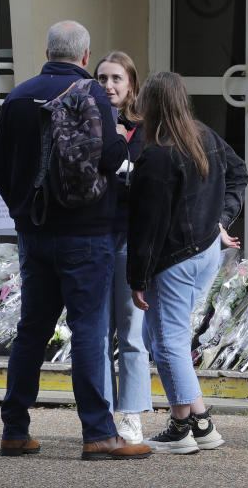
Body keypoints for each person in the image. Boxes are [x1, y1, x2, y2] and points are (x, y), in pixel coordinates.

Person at [0, 21, 149, 460]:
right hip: (89, 234)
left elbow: (0, 170)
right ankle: (98, 433)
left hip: (34, 235)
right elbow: (115, 159)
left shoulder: (19, 96)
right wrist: (117, 136)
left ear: (47, 50)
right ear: (84, 58)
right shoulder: (93, 95)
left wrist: (23, 214)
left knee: (31, 332)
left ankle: (15, 430)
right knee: (88, 332)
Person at [128, 71, 248, 454]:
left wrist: (137, 277)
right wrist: (220, 221)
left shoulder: (158, 154)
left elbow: (148, 225)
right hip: (205, 252)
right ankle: (199, 422)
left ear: (150, 103)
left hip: (175, 259)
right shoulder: (203, 135)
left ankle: (182, 427)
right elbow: (238, 174)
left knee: (167, 343)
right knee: (163, 338)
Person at [94, 51, 151, 444]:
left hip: (130, 237)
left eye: (116, 78)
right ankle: (100, 416)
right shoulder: (86, 121)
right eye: (101, 79)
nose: (108, 86)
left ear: (131, 84)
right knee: (96, 333)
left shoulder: (146, 130)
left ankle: (130, 414)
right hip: (94, 236)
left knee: (131, 332)